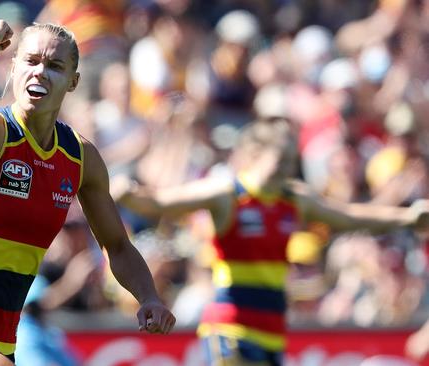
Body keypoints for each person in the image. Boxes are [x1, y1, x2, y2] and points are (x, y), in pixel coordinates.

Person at [0, 19, 175, 366]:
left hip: (0, 336)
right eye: (31, 61)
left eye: (55, 66)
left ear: (73, 82)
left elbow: (117, 245)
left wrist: (148, 296)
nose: (40, 72)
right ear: (14, 67)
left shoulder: (79, 157)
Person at [114, 119, 429, 366]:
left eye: (292, 159)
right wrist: (127, 194)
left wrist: (407, 218)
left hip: (272, 333)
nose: (287, 167)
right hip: (230, 329)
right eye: (281, 158)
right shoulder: (228, 194)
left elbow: (348, 216)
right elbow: (163, 202)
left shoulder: (294, 199)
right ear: (254, 155)